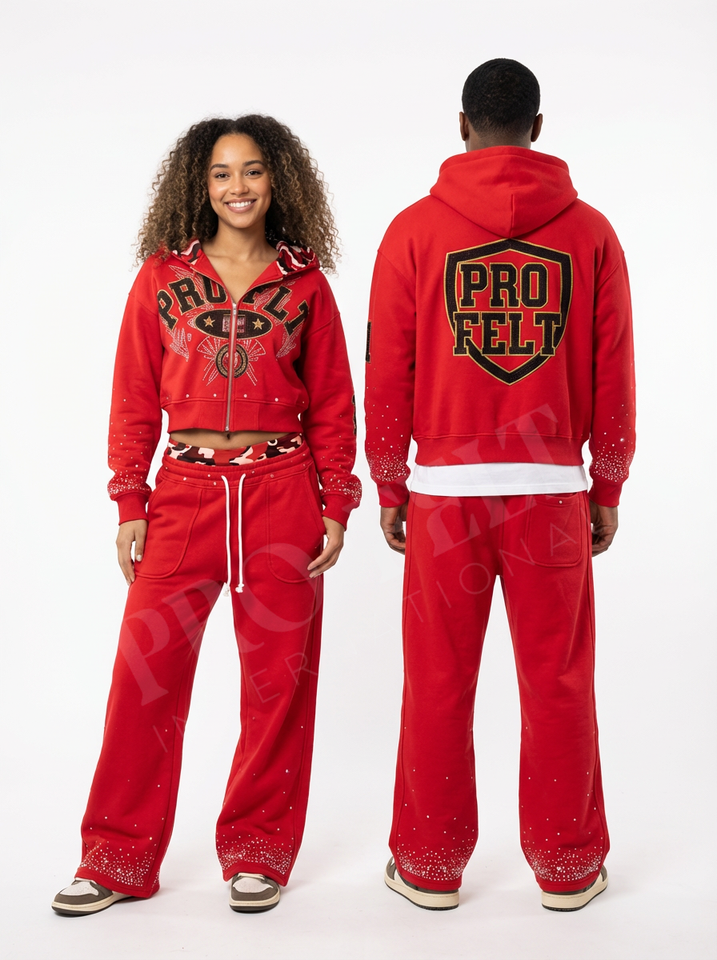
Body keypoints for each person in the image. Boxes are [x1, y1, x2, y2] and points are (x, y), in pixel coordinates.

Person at [52, 115, 361, 916]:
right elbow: (132, 395)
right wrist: (130, 497)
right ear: (200, 184)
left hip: (282, 493)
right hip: (182, 495)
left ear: (277, 180)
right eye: (221, 174)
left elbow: (333, 402)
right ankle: (115, 856)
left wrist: (336, 501)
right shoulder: (162, 276)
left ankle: (258, 851)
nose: (237, 187)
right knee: (144, 678)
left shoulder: (305, 283)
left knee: (277, 684)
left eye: (252, 171)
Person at [365, 59, 635, 912]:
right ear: (538, 128)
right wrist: (606, 483)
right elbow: (613, 368)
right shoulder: (590, 234)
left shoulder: (412, 232)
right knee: (557, 680)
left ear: (461, 125)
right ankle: (566, 867)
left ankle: (428, 865)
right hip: (550, 492)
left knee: (436, 681)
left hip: (445, 494)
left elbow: (388, 369)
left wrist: (390, 482)